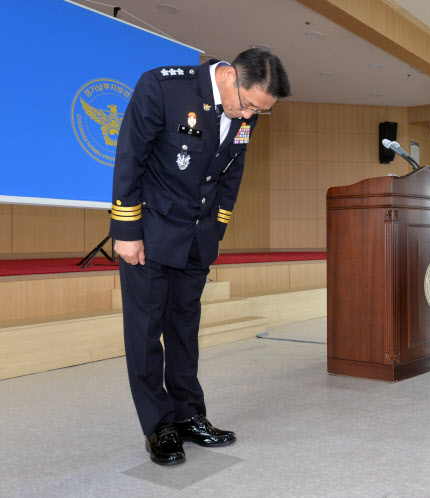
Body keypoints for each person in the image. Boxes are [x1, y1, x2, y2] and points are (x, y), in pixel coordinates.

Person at [110, 48, 291, 465]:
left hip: (196, 238)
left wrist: (216, 231)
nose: (248, 117)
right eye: (247, 105)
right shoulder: (163, 86)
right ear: (228, 75)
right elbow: (130, 157)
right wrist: (126, 231)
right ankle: (159, 426)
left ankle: (190, 415)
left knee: (184, 330)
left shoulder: (247, 114)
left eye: (260, 112)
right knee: (145, 332)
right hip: (150, 233)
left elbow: (233, 173)